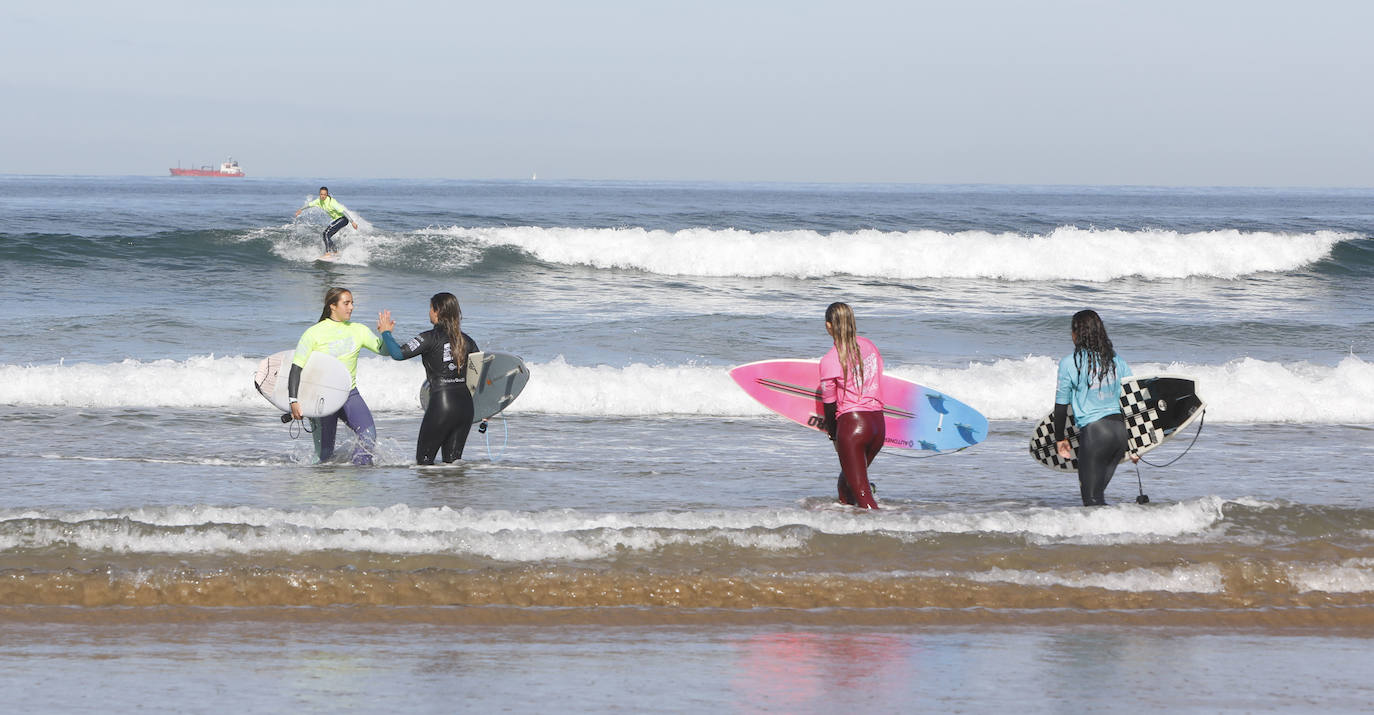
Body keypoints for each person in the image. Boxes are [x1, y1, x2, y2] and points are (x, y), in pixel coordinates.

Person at [377, 292, 481, 465]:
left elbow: (398, 354)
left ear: (437, 311)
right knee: (453, 464)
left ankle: (430, 493)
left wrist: (386, 333)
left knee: (425, 463)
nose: (429, 312)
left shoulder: (429, 337)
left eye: (430, 308)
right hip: (465, 407)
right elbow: (478, 374)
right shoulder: (467, 340)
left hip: (442, 404)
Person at [289, 287, 384, 464]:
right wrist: (293, 400)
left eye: (352, 303)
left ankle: (357, 474)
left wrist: (385, 334)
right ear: (332, 306)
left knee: (368, 437)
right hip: (321, 397)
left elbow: (384, 350)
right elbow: (296, 368)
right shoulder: (313, 333)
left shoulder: (359, 330)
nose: (351, 307)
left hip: (349, 393)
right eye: (346, 303)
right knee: (324, 455)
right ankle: (323, 487)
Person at [1052, 309, 1138, 506]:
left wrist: (1059, 439)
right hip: (1119, 434)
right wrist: (1135, 445)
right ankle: (1119, 531)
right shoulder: (1117, 360)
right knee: (1097, 497)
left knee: (1091, 501)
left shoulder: (1069, 363)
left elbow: (1060, 406)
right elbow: (1133, 398)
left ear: (1077, 333)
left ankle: (1109, 533)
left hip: (1095, 434)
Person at [819, 302, 885, 509]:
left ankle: (888, 532)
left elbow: (829, 403)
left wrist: (832, 432)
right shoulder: (870, 346)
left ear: (829, 326)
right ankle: (851, 532)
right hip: (878, 426)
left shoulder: (830, 360)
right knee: (846, 483)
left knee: (865, 498)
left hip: (853, 427)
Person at [294, 186, 357, 257]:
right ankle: (336, 251)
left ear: (327, 195)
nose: (323, 196)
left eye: (324, 194)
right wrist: (300, 209)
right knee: (326, 235)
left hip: (343, 219)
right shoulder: (318, 201)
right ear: (319, 194)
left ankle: (328, 253)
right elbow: (309, 205)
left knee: (326, 233)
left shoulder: (332, 202)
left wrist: (352, 222)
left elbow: (343, 212)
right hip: (338, 220)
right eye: (321, 194)